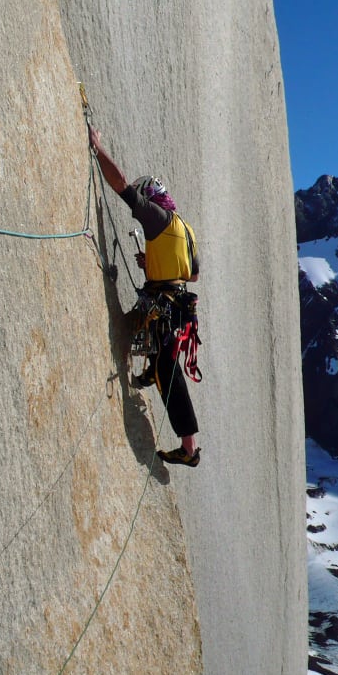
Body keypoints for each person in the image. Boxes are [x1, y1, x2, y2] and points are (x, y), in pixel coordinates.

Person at [89, 125, 201, 467]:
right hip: (178, 303)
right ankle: (148, 372)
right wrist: (153, 262)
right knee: (163, 357)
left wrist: (97, 148)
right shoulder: (184, 227)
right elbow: (192, 273)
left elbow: (121, 185)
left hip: (164, 304)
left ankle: (189, 447)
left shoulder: (157, 218)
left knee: (168, 369)